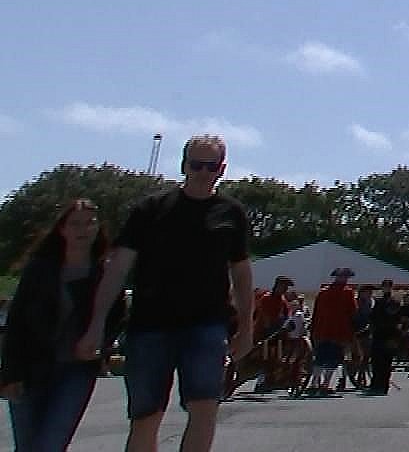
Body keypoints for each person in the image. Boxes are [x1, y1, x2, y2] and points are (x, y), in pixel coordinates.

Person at [78, 135, 253, 452]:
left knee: (205, 408)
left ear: (222, 169)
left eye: (210, 166)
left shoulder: (231, 213)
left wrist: (246, 326)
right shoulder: (150, 209)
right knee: (146, 416)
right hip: (150, 325)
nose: (202, 172)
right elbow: (117, 269)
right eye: (195, 165)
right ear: (183, 165)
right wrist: (96, 323)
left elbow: (241, 272)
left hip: (207, 325)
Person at [1, 199, 125, 452]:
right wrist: (10, 373)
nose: (83, 230)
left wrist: (101, 346)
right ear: (62, 229)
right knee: (27, 445)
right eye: (75, 224)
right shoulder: (41, 269)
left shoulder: (104, 274)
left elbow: (116, 318)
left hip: (76, 371)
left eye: (90, 223)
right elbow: (17, 322)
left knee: (50, 444)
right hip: (31, 367)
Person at [307, 268, 355, 396]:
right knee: (333, 358)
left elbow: (316, 313)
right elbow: (352, 312)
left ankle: (314, 383)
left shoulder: (323, 292)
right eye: (343, 277)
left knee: (320, 357)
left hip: (323, 330)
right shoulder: (347, 293)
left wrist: (314, 329)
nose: (344, 279)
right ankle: (324, 384)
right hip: (339, 330)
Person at [363, 280, 406, 394]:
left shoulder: (394, 302)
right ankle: (375, 384)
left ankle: (383, 385)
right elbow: (372, 317)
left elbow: (396, 317)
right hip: (378, 334)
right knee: (376, 361)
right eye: (384, 287)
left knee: (386, 362)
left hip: (390, 334)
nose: (386, 289)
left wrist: (397, 336)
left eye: (388, 287)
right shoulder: (379, 302)